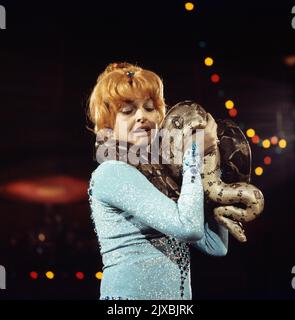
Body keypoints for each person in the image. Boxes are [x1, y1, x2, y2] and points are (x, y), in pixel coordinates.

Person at [87, 62, 228, 300]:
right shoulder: (111, 172)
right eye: (128, 111)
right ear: (109, 123)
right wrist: (193, 153)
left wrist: (211, 162)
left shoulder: (160, 178)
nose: (142, 116)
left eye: (150, 107)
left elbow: (217, 246)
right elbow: (190, 228)